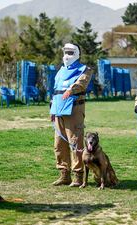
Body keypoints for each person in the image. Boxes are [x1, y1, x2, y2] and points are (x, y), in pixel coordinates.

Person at [50, 43, 92, 187]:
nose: (67, 56)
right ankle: (64, 174)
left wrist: (71, 89)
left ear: (77, 54)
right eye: (65, 52)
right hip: (59, 111)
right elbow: (56, 90)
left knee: (75, 143)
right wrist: (52, 109)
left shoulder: (85, 69)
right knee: (59, 144)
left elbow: (81, 84)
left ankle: (78, 176)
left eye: (70, 52)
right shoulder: (60, 71)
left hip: (74, 110)